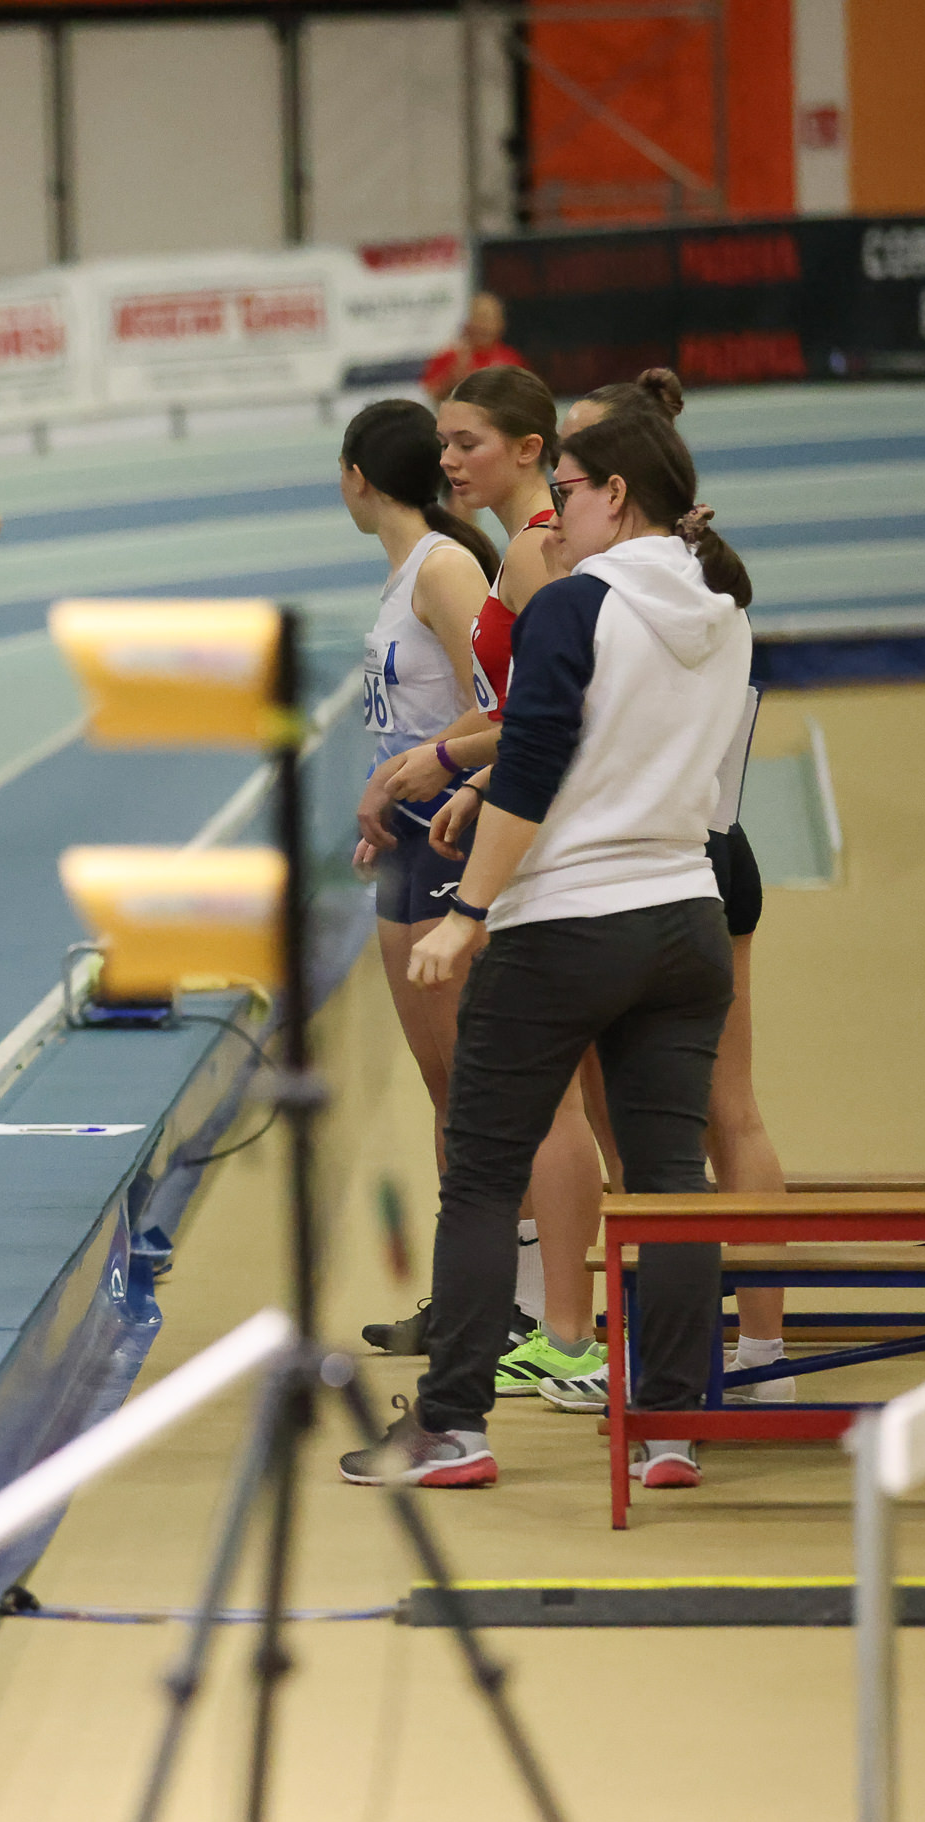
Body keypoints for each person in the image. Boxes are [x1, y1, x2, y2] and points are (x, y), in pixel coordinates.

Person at [343, 407, 756, 1491]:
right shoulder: (723, 612)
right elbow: (699, 781)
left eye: (566, 492)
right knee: (667, 1177)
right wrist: (487, 778)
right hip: (686, 916)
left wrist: (467, 911)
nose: (552, 516)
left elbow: (537, 759)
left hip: (567, 921)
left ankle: (452, 1426)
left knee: (483, 1172)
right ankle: (671, 1425)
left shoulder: (575, 603)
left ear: (617, 494)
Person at [357, 365, 609, 1390]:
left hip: (526, 845)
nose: (450, 461)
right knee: (479, 1091)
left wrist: (450, 764)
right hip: (464, 826)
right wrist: (429, 771)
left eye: (468, 443)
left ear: (533, 449)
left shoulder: (524, 556)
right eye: (444, 444)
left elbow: (547, 712)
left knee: (535, 1099)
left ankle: (557, 1321)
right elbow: (516, 706)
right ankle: (508, 1305)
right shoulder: (513, 551)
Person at [543, 368, 788, 1403]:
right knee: (726, 1115)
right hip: (718, 851)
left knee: (648, 1135)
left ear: (619, 485)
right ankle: (757, 1353)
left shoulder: (605, 596)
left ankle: (665, 1354)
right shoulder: (711, 584)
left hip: (645, 861)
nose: (558, 496)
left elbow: (562, 733)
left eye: (568, 479)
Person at [335, 396, 499, 1199]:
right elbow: (408, 719)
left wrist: (415, 766)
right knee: (444, 1091)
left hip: (455, 829)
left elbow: (502, 706)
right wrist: (387, 787)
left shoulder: (444, 568)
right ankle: (465, 1266)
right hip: (405, 837)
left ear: (355, 479)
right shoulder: (404, 578)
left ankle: (522, 1267)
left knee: (476, 1093)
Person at [421, 291, 524, 402]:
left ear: (501, 324)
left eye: (489, 319)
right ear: (468, 322)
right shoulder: (450, 355)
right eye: (479, 318)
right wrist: (451, 382)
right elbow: (428, 396)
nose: (484, 326)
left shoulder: (511, 360)